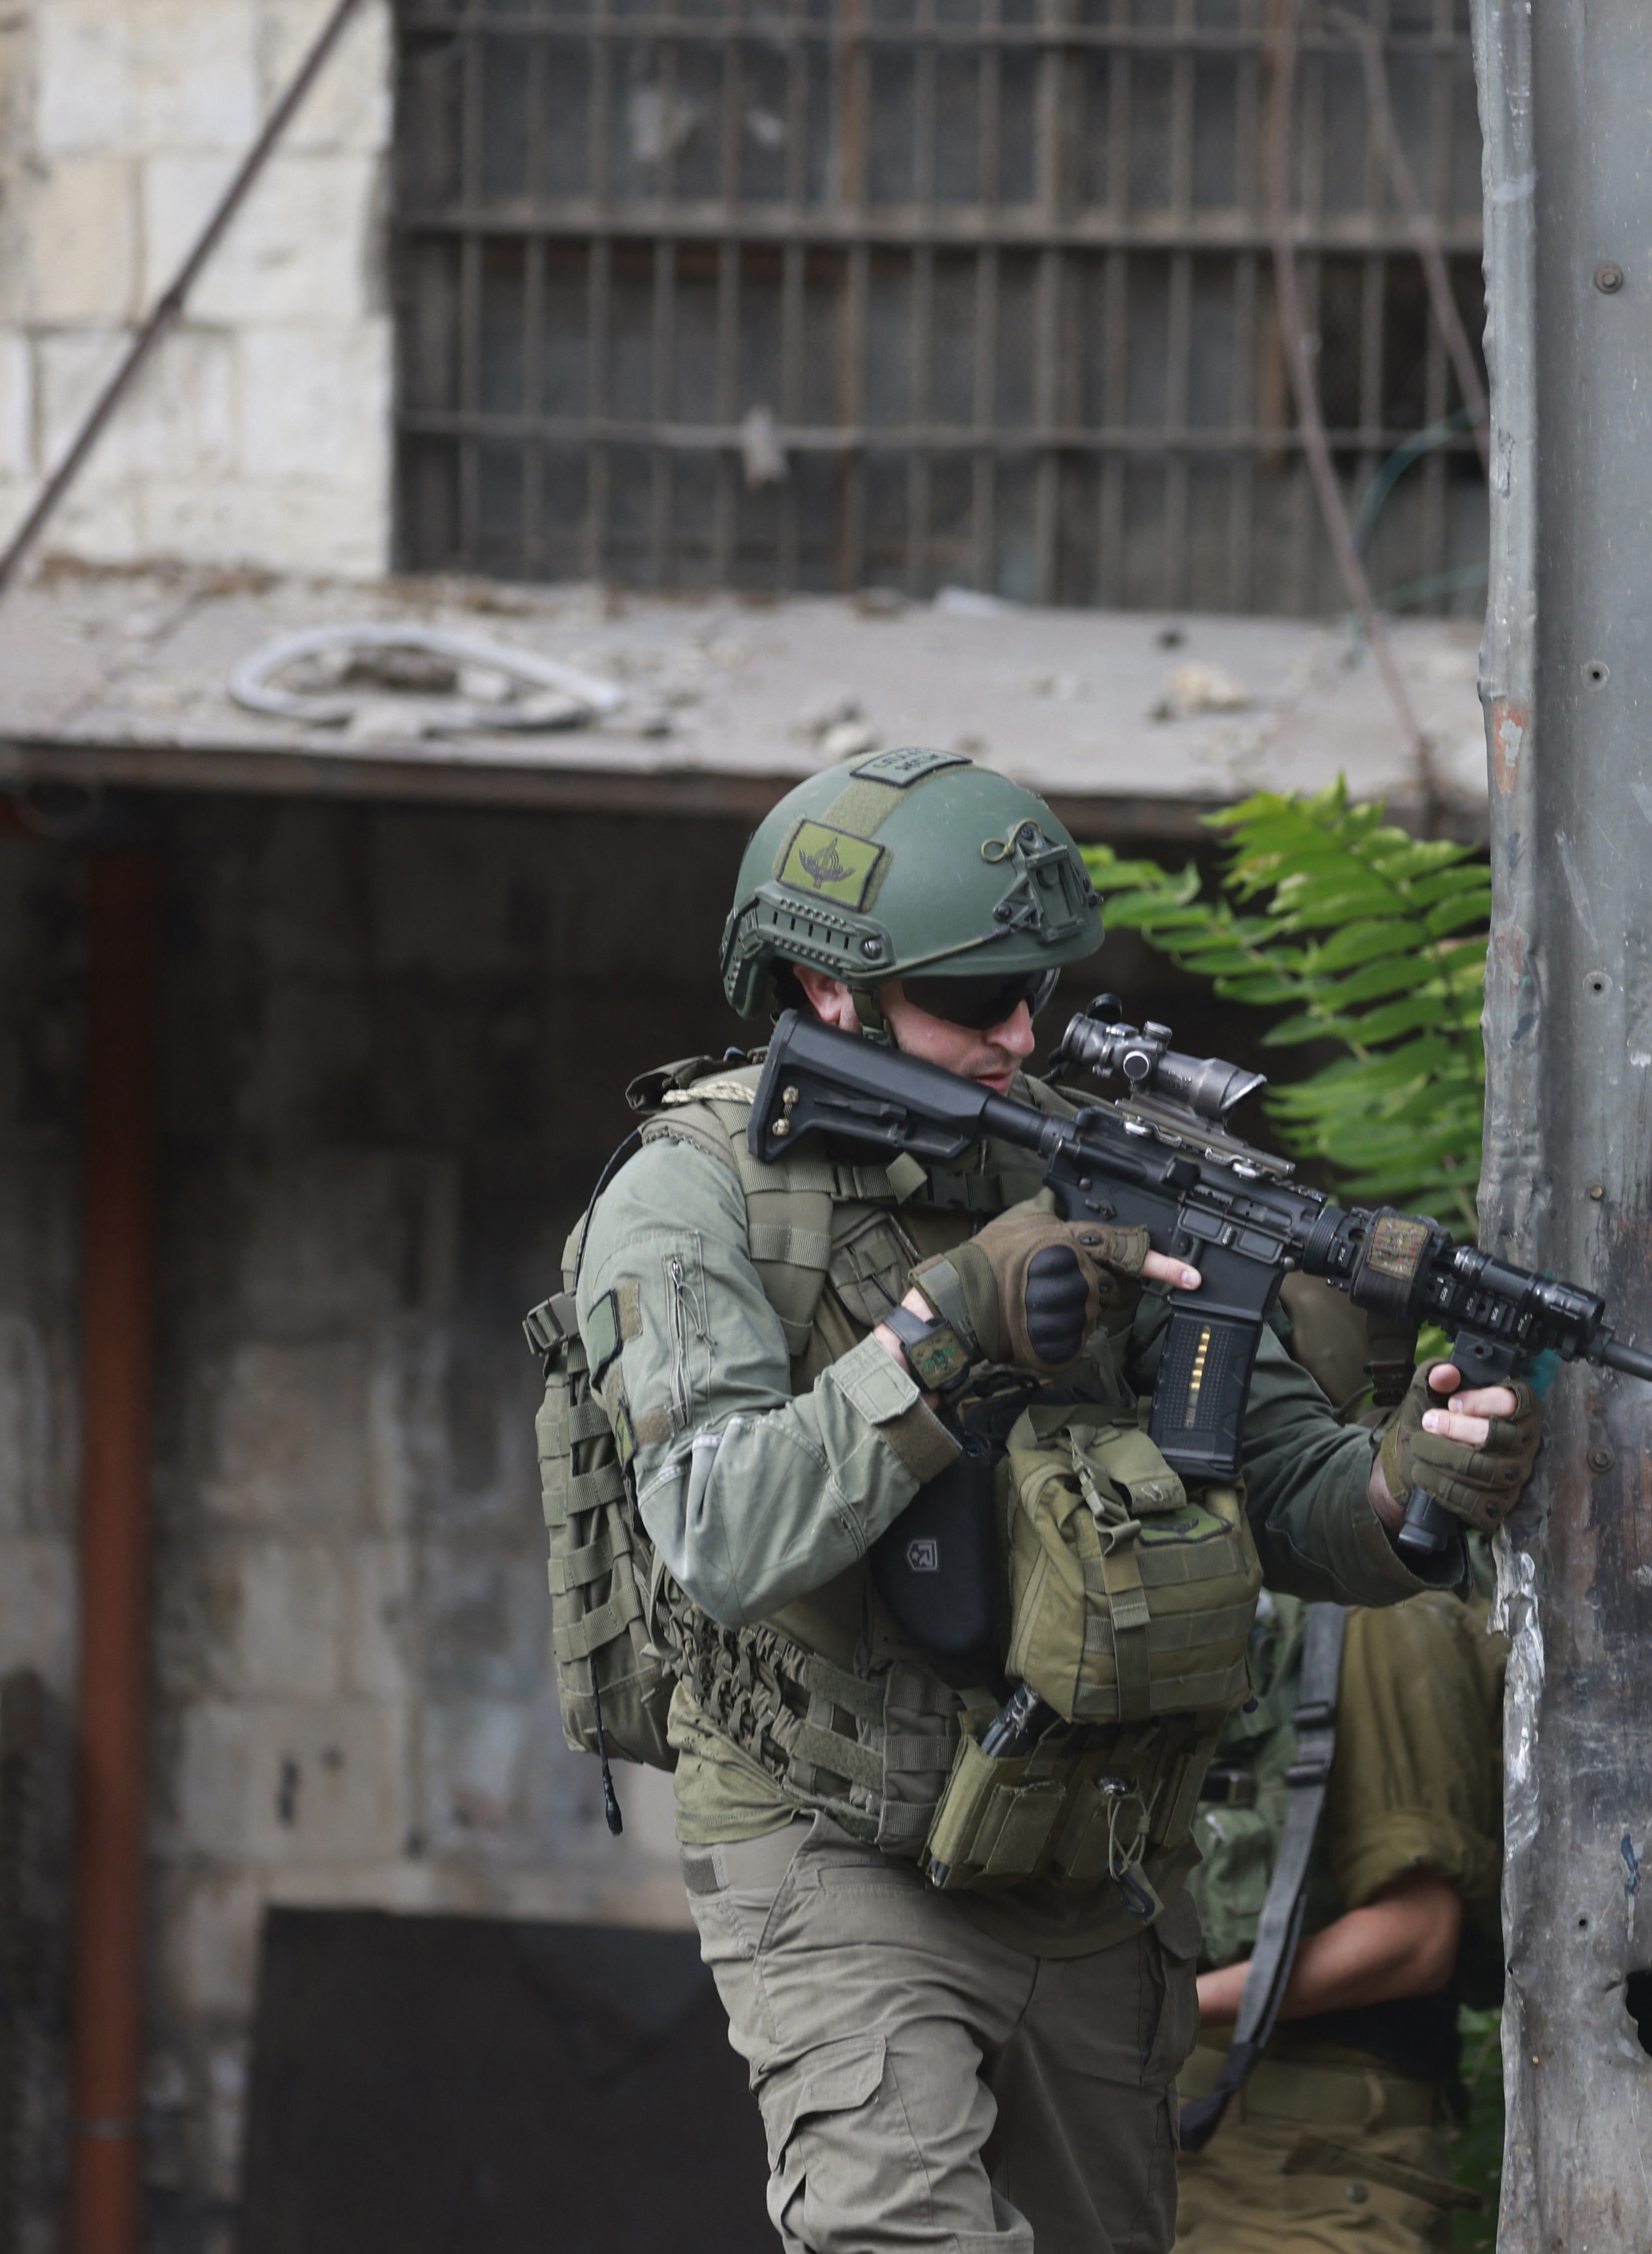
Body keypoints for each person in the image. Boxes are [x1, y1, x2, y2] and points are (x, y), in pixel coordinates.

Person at [568, 748, 1541, 2254]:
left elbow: (1296, 1495)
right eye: (975, 999)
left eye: (1038, 989)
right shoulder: (688, 1197)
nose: (1022, 1033)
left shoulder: (1077, 1157)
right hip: (835, 1832)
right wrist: (938, 1330)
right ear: (831, 992)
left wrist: (1416, 1466)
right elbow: (719, 1531)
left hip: (1088, 1849)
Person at [1170, 1564, 1503, 2254]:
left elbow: (1414, 1939)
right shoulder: (1240, 1602)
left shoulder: (1386, 1611)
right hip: (1174, 2148)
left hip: (1319, 2165)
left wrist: (1161, 2008)